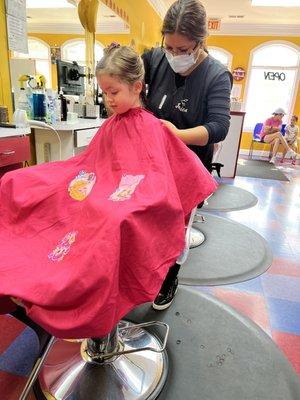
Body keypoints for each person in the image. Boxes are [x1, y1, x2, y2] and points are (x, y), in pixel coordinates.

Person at [0, 45, 217, 338]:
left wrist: (119, 197)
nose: (108, 100)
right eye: (104, 92)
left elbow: (164, 181)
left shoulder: (155, 128)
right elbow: (89, 166)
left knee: (110, 218)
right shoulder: (111, 126)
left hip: (127, 198)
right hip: (95, 186)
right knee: (15, 183)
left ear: (136, 87)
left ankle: (90, 299)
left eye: (113, 92)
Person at [142, 0, 232, 310]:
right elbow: (130, 82)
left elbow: (219, 127)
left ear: (199, 42)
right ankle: (141, 273)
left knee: (175, 229)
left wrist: (176, 134)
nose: (175, 55)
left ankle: (170, 277)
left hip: (188, 167)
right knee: (143, 223)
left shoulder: (216, 76)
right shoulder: (154, 60)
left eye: (184, 49)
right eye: (170, 46)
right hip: (150, 161)